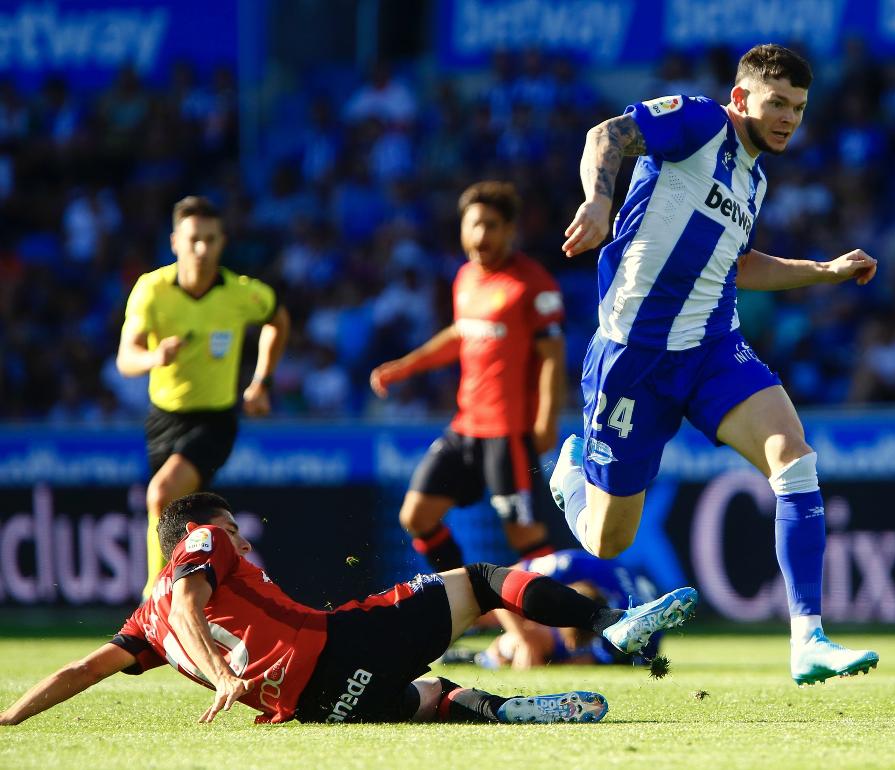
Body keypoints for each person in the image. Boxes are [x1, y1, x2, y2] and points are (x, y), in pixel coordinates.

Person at [555, 44, 880, 686]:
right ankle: (572, 481)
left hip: (711, 347)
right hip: (634, 356)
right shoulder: (701, 122)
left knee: (793, 456)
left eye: (798, 108)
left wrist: (825, 271)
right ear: (741, 98)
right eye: (777, 103)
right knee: (608, 540)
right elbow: (606, 135)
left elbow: (738, 264)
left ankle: (808, 640)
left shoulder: (754, 180)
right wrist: (597, 201)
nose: (788, 118)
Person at [0, 492, 698, 727]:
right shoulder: (201, 543)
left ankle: (504, 709)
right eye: (234, 529)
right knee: (485, 579)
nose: (242, 540)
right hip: (338, 647)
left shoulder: (140, 624)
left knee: (429, 696)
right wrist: (221, 674)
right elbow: (187, 598)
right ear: (198, 533)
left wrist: (11, 717)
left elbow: (80, 670)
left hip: (317, 707)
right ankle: (609, 623)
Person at [370, 181, 565, 570]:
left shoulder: (533, 284)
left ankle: (563, 606)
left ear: (510, 230)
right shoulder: (465, 278)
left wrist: (547, 420)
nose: (480, 235)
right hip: (464, 428)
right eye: (473, 224)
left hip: (509, 432)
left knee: (524, 536)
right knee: (416, 516)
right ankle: (465, 596)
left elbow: (552, 357)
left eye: (491, 225)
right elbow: (461, 333)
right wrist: (406, 366)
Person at [116, 196, 290, 598]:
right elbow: (126, 358)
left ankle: (153, 597)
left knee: (161, 494)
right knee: (182, 519)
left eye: (210, 239)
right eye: (193, 239)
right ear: (175, 241)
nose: (201, 248)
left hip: (215, 419)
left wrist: (262, 381)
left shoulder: (240, 293)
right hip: (163, 418)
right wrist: (154, 357)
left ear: (222, 242)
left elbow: (278, 319)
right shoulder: (152, 290)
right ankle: (211, 596)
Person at [451, 549, 663, 669]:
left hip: (624, 636)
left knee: (517, 642)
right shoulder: (573, 565)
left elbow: (590, 660)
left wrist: (536, 656)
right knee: (490, 603)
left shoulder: (638, 638)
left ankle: (486, 657)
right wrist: (525, 638)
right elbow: (501, 580)